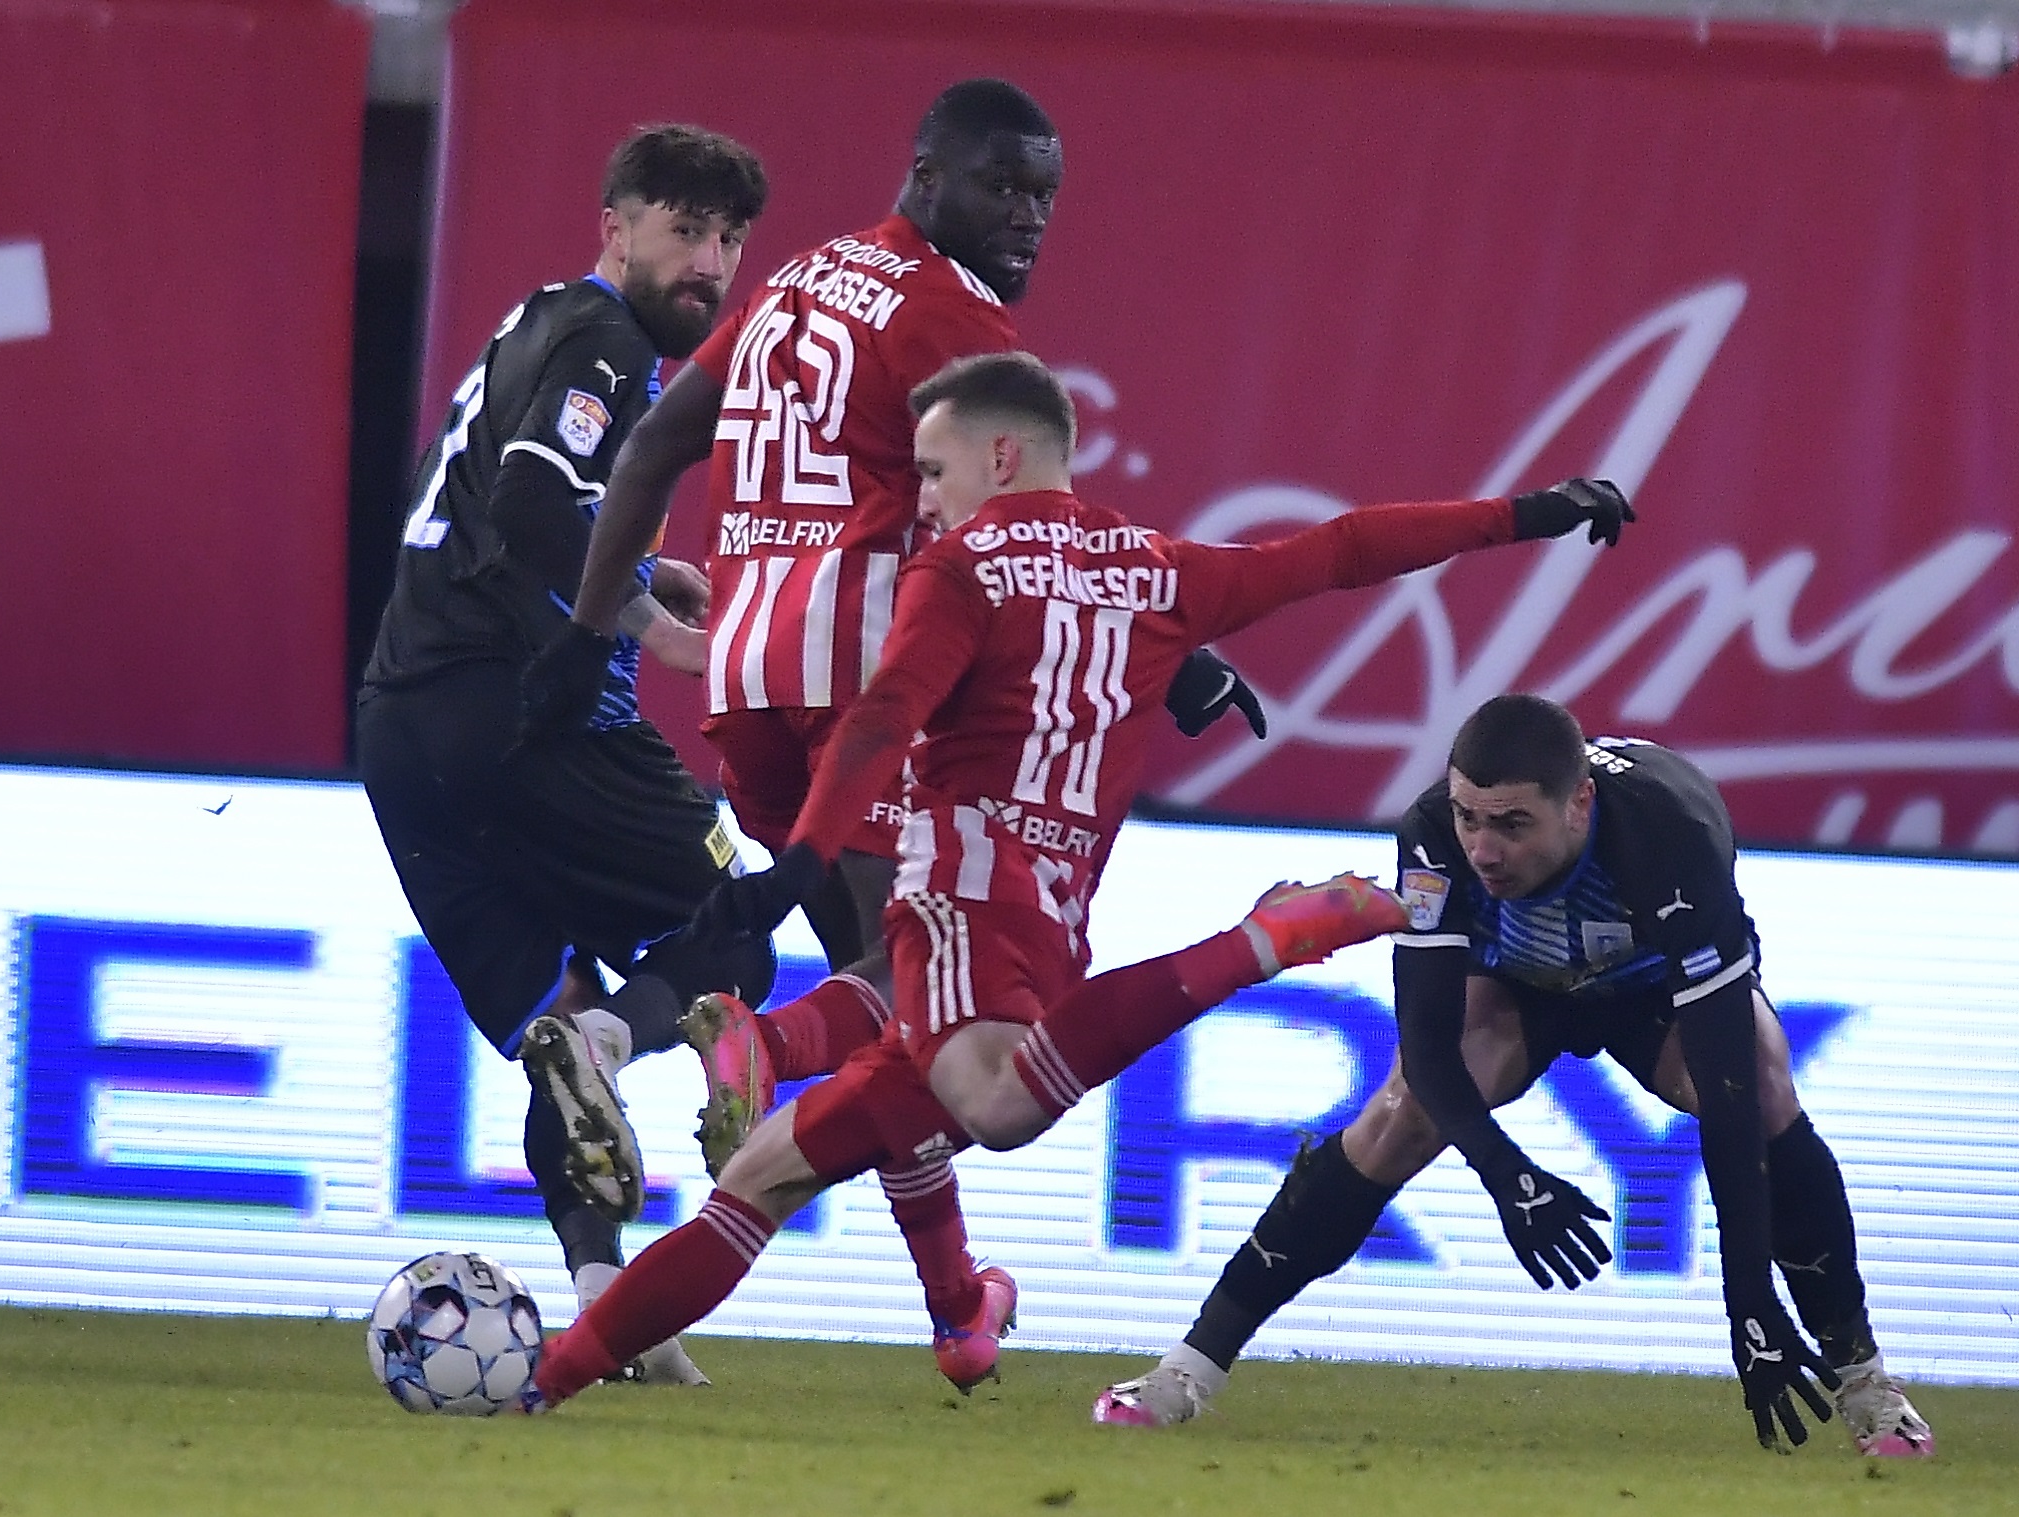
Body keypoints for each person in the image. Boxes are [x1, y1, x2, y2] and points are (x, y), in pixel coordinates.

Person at [514, 351, 1636, 1410]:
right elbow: (1341, 548)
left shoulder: (956, 567)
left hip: (956, 897)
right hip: (1051, 921)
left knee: (996, 1105)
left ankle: (1273, 934)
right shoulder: (1156, 570)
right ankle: (547, 1381)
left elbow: (885, 715)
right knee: (760, 1177)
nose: (930, 495)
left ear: (1003, 458)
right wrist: (1525, 514)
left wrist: (801, 858)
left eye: (939, 469)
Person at [519, 79, 1262, 1387]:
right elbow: (1040, 532)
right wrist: (1182, 657)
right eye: (1001, 190)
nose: (1027, 221)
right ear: (926, 176)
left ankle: (955, 1308)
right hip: (864, 681)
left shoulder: (795, 283)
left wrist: (592, 633)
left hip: (746, 678)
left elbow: (646, 455)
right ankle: (649, 1035)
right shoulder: (949, 318)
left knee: (899, 1005)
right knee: (934, 1014)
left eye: (1044, 197)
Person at [1093, 694, 1936, 1459]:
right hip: (1519, 988)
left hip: (1651, 992)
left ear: (1580, 805)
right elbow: (1425, 1046)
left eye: (1511, 824)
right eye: (1469, 816)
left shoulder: (1667, 837)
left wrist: (1747, 1299)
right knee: (1398, 1112)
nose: (1482, 849)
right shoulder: (1431, 836)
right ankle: (1187, 1368)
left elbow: (1728, 1096)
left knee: (1766, 1084)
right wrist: (1510, 1176)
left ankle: (1866, 1383)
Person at [354, 125, 780, 1385]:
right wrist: (655, 626)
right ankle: (613, 1052)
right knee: (738, 916)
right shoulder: (606, 342)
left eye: (729, 239)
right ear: (616, 223)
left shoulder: (528, 326)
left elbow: (496, 506)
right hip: (527, 715)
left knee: (559, 1010)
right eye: (684, 228)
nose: (708, 261)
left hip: (401, 727)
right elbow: (540, 502)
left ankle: (612, 1311)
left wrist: (640, 564)